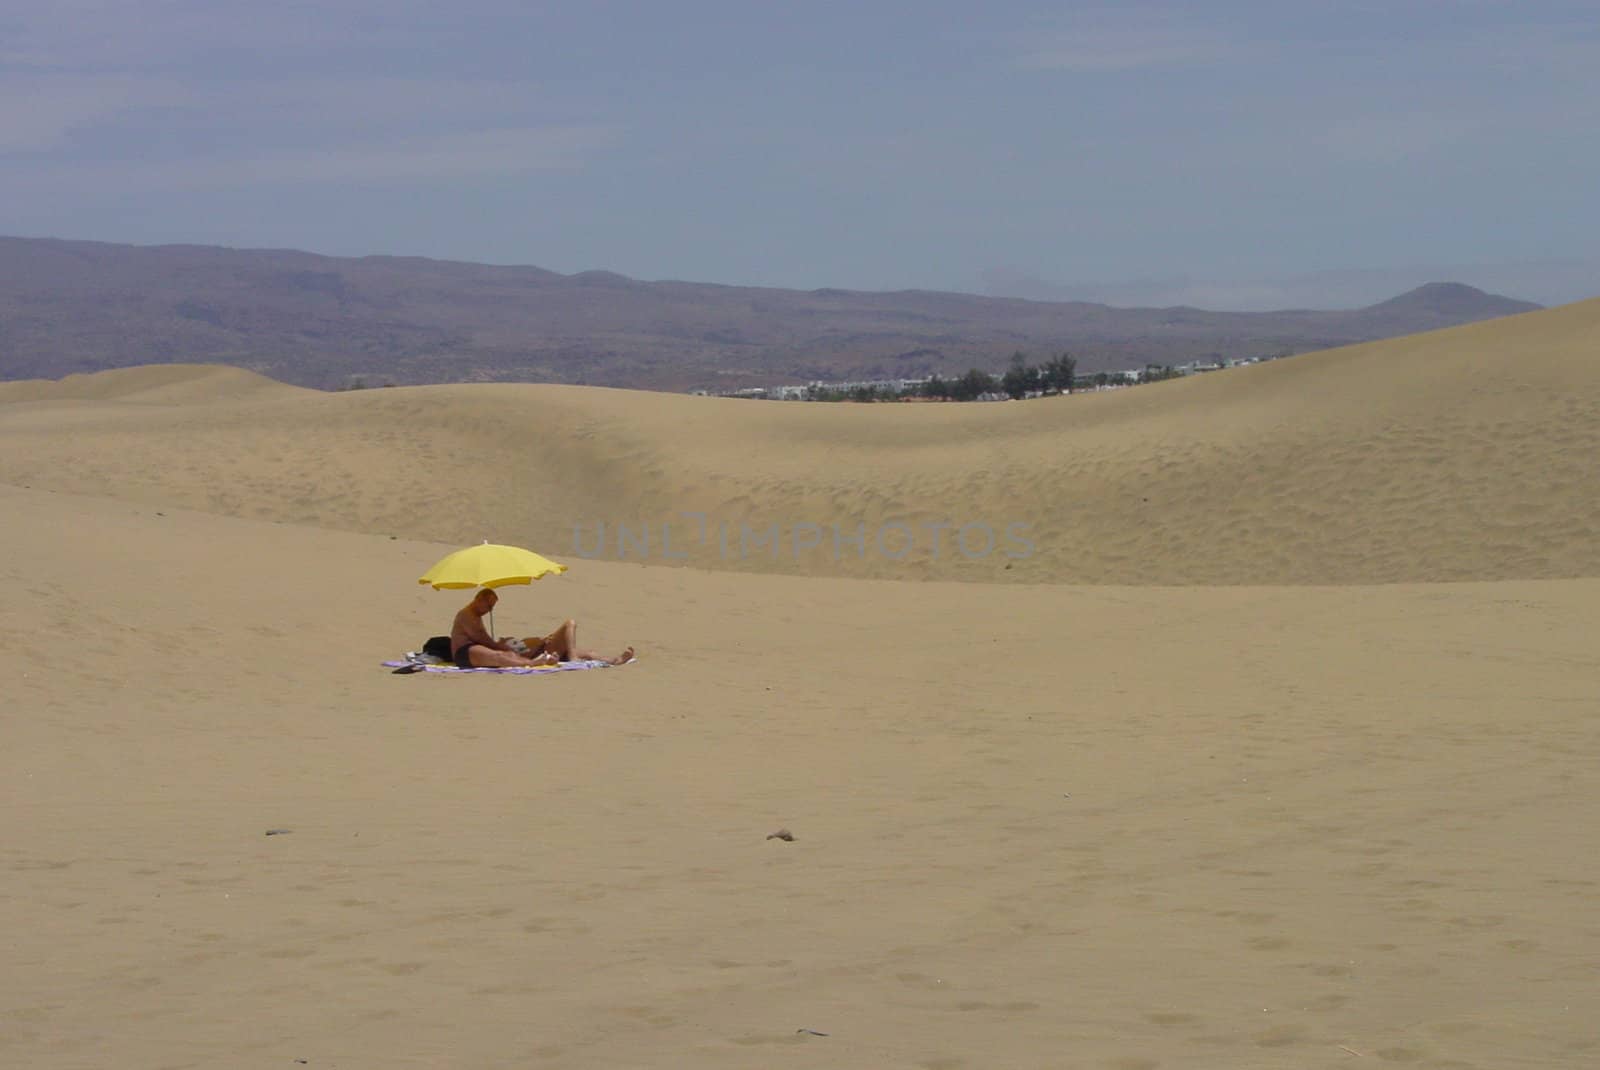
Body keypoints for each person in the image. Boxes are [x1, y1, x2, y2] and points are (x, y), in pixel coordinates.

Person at [450, 588, 635, 669]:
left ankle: (613, 660)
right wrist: (504, 645)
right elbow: (483, 641)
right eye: (489, 606)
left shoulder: (477, 615)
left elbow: (489, 642)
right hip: (465, 652)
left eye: (493, 606)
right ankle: (533, 663)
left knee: (585, 652)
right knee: (502, 656)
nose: (490, 610)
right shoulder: (465, 615)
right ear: (479, 600)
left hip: (484, 648)